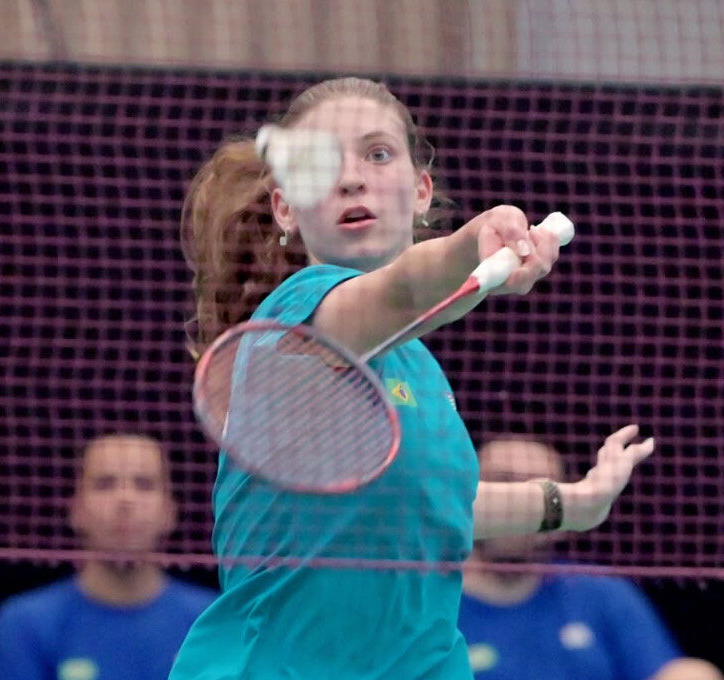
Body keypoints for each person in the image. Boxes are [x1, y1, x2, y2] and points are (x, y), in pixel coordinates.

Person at [171, 77, 655, 679]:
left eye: (377, 154)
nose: (352, 178)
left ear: (421, 191)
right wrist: (470, 246)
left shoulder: (417, 367)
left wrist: (572, 503)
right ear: (286, 207)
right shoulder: (294, 320)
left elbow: (431, 501)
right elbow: (404, 290)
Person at [458, 438, 724, 680]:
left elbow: (668, 671)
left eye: (542, 489)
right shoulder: (436, 594)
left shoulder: (597, 589)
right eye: (503, 482)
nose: (522, 504)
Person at [0, 434, 216, 680]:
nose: (125, 500)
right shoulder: (23, 626)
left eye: (144, 484)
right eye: (105, 484)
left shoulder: (212, 621)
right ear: (76, 510)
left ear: (169, 511)